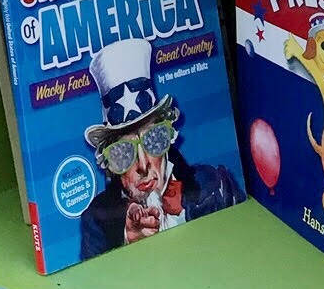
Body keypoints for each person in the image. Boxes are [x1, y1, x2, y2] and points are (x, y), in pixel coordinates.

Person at [77, 39, 243, 259]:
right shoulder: (97, 220)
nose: (144, 166)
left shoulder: (214, 186)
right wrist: (124, 241)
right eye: (123, 152)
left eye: (154, 140)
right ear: (108, 164)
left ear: (169, 137)